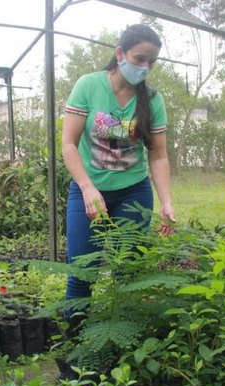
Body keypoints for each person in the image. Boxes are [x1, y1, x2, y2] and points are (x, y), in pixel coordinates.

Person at [61, 24, 176, 314]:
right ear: (120, 53)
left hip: (133, 193)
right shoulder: (88, 86)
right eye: (139, 59)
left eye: (152, 62)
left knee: (129, 271)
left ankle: (122, 345)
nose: (145, 67)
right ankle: (76, 343)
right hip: (88, 191)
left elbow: (158, 155)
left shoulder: (152, 100)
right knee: (82, 270)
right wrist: (88, 188)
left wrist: (166, 202)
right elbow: (69, 145)